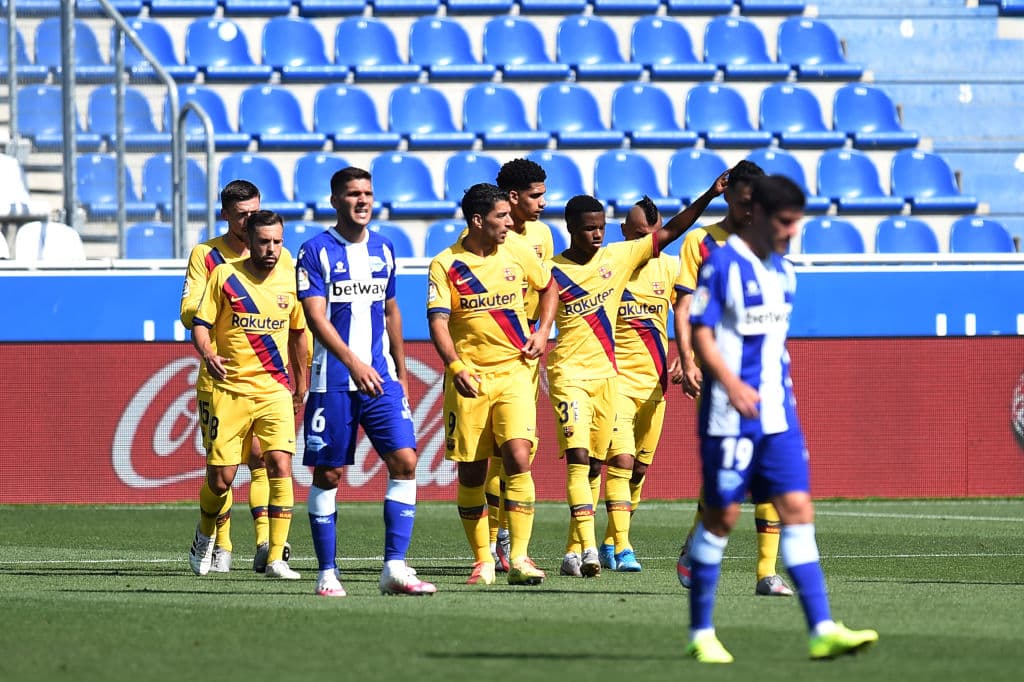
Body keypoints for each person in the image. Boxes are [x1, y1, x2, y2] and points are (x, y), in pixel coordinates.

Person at [683, 175, 878, 662]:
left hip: (778, 415)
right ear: (761, 215)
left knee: (798, 512)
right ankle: (701, 632)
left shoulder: (785, 272)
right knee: (722, 518)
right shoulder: (722, 264)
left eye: (797, 223)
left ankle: (822, 628)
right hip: (730, 415)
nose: (792, 232)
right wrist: (728, 381)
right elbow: (701, 330)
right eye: (786, 223)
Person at [546, 175, 727, 579]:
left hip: (646, 386)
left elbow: (677, 233)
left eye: (601, 227)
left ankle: (602, 543)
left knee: (630, 470)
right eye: (590, 227)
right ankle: (603, 546)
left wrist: (710, 195)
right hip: (601, 380)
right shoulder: (558, 270)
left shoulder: (640, 263)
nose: (597, 234)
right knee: (603, 461)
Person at [296, 166, 436, 598]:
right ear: (335, 200)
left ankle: (393, 567)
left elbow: (391, 310)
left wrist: (401, 369)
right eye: (353, 193)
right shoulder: (314, 251)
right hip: (333, 380)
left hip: (381, 379)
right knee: (330, 474)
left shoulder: (385, 248)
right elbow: (316, 318)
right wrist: (354, 363)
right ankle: (327, 573)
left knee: (406, 462)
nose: (362, 200)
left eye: (368, 193)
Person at [673, 161, 793, 597]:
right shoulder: (701, 242)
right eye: (743, 198)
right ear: (729, 195)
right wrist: (686, 358)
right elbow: (684, 306)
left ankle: (767, 572)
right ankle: (697, 544)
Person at [427, 183, 556, 587]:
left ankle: (518, 557)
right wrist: (455, 365)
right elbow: (438, 321)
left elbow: (549, 285)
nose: (509, 223)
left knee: (518, 457)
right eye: (501, 217)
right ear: (478, 220)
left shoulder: (517, 249)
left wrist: (543, 331)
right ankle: (482, 560)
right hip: (471, 378)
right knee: (472, 473)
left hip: (517, 371)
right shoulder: (446, 263)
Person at [188, 210, 307, 581]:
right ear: (249, 242)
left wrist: (301, 383)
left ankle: (275, 557)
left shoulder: (291, 281)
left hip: (274, 389)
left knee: (279, 466)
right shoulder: (225, 276)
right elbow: (201, 324)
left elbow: (299, 333)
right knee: (221, 478)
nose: (271, 249)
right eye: (264, 242)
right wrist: (208, 353)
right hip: (231, 390)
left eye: (277, 242)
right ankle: (205, 535)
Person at [598, 196, 684, 573]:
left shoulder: (672, 267)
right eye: (637, 236)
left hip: (655, 386)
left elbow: (689, 313)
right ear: (623, 233)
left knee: (639, 471)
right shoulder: (609, 264)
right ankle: (625, 547)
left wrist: (686, 353)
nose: (646, 244)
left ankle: (608, 542)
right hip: (615, 382)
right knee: (620, 460)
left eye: (652, 236)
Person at [482, 158, 556, 572]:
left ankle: (506, 536)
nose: (543, 203)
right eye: (535, 195)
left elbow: (550, 287)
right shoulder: (488, 237)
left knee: (520, 449)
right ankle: (494, 539)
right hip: (496, 351)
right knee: (497, 450)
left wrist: (543, 332)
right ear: (512, 198)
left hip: (529, 349)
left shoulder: (542, 234)